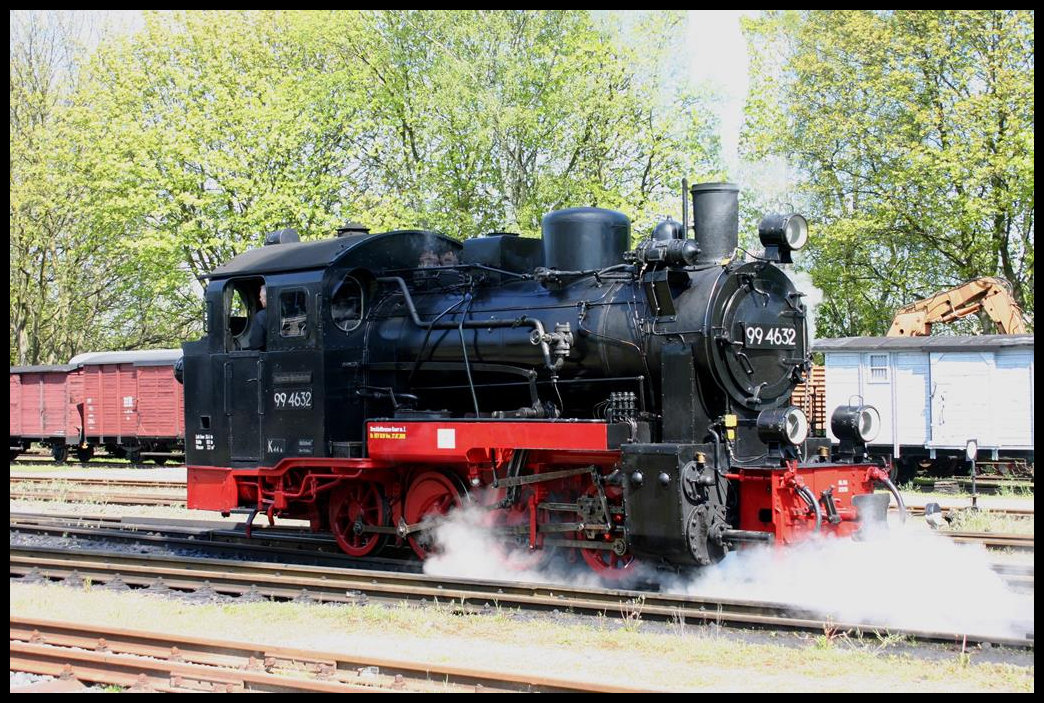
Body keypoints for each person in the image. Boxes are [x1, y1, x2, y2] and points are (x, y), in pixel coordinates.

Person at [246, 284, 268, 350]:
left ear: (267, 297)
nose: (260, 299)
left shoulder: (260, 316)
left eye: (261, 297)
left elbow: (255, 344)